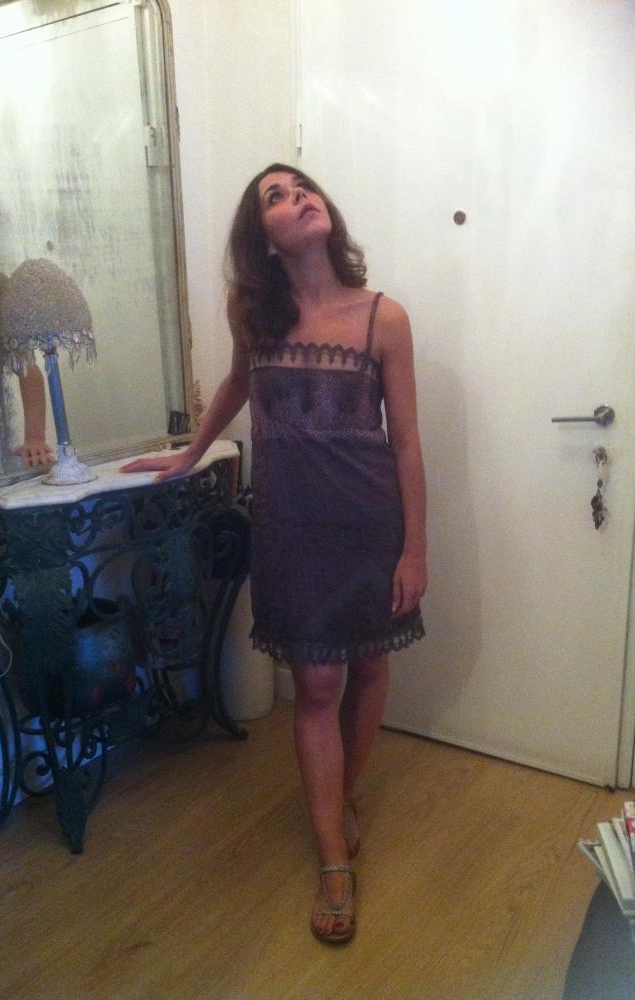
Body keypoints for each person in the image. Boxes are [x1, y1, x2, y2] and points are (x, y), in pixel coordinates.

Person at [122, 163, 427, 944]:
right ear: (262, 236)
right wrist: (190, 453)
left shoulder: (385, 318)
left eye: (303, 187)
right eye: (277, 196)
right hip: (290, 525)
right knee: (317, 682)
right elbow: (236, 384)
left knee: (369, 663)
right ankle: (333, 859)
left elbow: (407, 443)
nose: (299, 198)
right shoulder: (252, 312)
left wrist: (415, 551)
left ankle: (341, 797)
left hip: (368, 522)